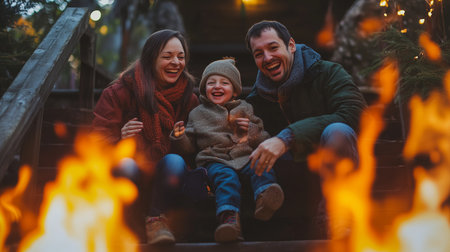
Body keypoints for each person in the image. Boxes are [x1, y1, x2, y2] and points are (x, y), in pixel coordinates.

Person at [244, 20, 367, 237]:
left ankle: (337, 213)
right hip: (292, 174)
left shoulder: (328, 73)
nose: (268, 58)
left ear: (291, 45)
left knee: (338, 130)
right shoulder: (256, 99)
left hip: (336, 165)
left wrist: (287, 137)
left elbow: (353, 114)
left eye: (273, 48)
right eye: (258, 53)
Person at [92, 29, 200, 245]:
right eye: (167, 56)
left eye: (180, 57)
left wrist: (181, 139)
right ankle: (126, 227)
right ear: (151, 58)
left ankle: (156, 220)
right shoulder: (120, 91)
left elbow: (197, 146)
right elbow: (96, 140)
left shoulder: (189, 97)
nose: (176, 63)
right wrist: (119, 138)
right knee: (126, 166)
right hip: (130, 170)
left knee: (175, 162)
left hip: (168, 176)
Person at [170, 58, 285, 243]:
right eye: (211, 82)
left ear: (234, 90)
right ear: (203, 88)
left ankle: (265, 198)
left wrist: (251, 131)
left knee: (260, 164)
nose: (217, 86)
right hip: (214, 160)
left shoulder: (245, 108)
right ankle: (229, 220)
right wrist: (179, 136)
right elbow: (189, 146)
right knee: (226, 180)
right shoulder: (197, 113)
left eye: (224, 83)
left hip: (244, 156)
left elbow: (263, 138)